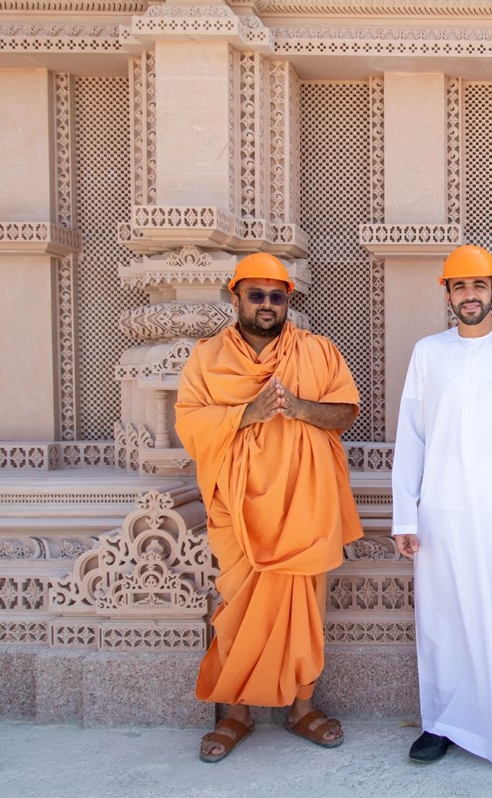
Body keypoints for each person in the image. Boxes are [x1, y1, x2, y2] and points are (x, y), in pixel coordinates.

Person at [175, 251, 364, 763]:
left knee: (305, 611)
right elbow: (189, 425)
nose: (266, 304)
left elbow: (346, 410)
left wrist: (299, 408)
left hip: (305, 507)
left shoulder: (318, 352)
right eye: (256, 294)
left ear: (288, 303)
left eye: (277, 297)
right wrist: (245, 414)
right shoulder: (207, 357)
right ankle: (235, 712)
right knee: (237, 610)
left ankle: (302, 706)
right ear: (235, 296)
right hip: (237, 510)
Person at [391, 244, 492, 765]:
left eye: (478, 286)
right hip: (441, 515)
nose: (469, 295)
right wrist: (405, 514)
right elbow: (412, 437)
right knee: (445, 621)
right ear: (447, 293)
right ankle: (442, 722)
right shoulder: (428, 353)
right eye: (459, 286)